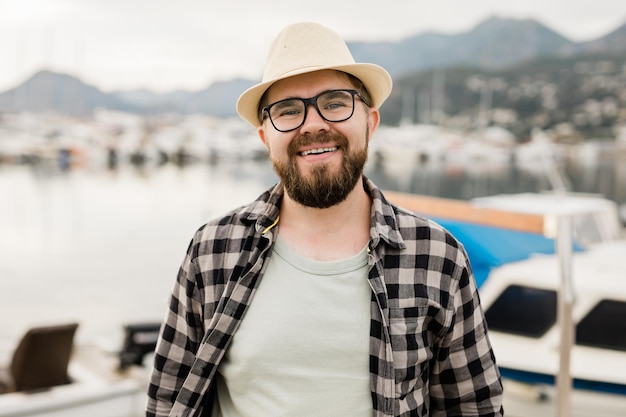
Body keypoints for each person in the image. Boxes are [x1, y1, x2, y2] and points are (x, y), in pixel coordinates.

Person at [146, 22, 504, 417]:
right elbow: (168, 399)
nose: (313, 124)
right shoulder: (213, 249)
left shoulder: (438, 256)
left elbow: (474, 406)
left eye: (334, 103)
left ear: (370, 122)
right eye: (288, 111)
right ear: (266, 138)